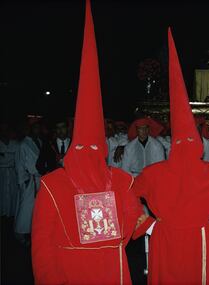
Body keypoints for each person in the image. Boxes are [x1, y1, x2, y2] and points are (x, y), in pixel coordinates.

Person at [31, 2, 150, 283]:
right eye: (85, 148)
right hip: (69, 272)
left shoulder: (120, 181)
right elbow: (42, 242)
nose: (88, 154)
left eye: (93, 148)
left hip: (111, 270)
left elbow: (134, 215)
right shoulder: (53, 185)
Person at [131, 29, 209, 284]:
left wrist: (147, 224)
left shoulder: (152, 173)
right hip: (200, 236)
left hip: (163, 236)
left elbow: (126, 194)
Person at [0, 122, 19, 217]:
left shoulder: (15, 144)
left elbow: (17, 159)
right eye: (2, 130)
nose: (4, 132)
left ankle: (10, 215)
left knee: (12, 194)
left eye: (6, 130)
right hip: (2, 173)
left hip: (12, 173)